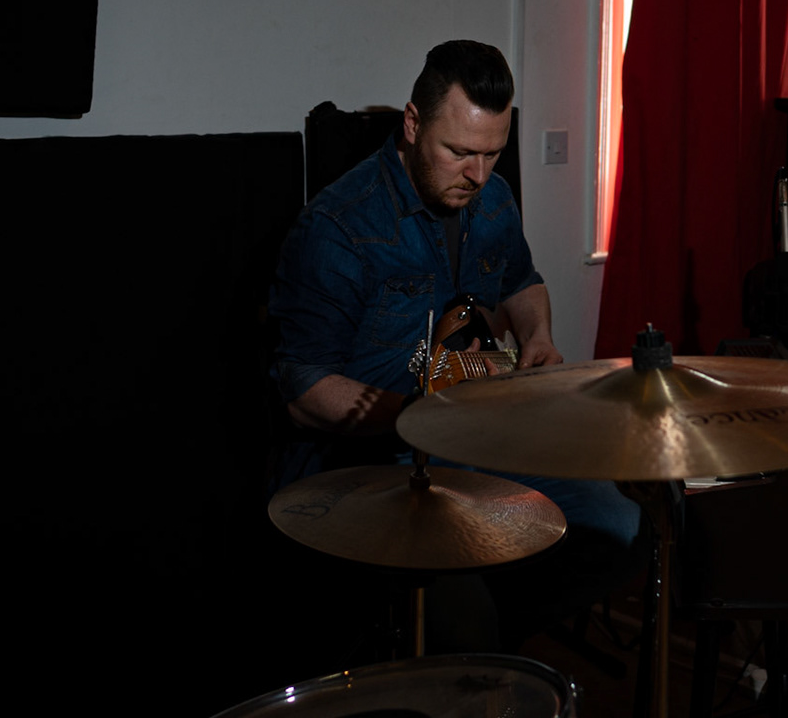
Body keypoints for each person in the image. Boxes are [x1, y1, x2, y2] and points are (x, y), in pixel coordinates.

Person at [269, 39, 641, 653]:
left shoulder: (492, 199)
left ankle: (483, 650)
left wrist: (538, 337)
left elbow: (520, 281)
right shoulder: (337, 228)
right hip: (372, 460)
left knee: (617, 525)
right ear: (413, 124)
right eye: (461, 153)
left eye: (493, 154)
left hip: (474, 439)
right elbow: (304, 392)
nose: (478, 175)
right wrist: (422, 418)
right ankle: (461, 651)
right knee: (462, 611)